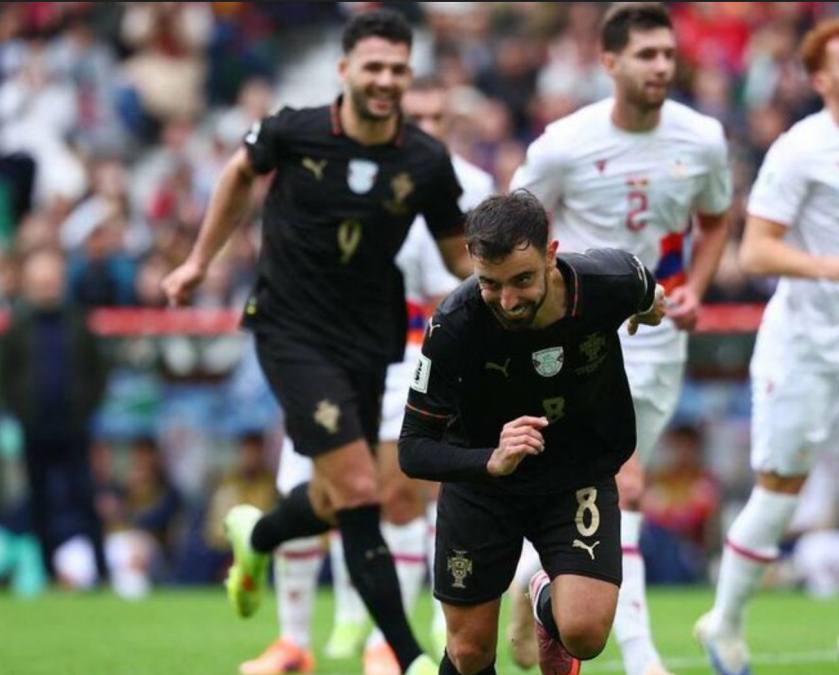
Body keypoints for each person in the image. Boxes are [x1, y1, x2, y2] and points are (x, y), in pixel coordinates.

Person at [161, 10, 471, 675]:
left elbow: (460, 261)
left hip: (372, 339)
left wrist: (541, 290)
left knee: (334, 496)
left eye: (397, 69)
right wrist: (198, 261)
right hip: (291, 329)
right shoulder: (296, 131)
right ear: (345, 71)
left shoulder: (424, 160)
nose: (386, 80)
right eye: (374, 68)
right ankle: (409, 656)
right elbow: (237, 175)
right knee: (360, 487)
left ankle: (260, 532)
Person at [694, 16, 839, 675]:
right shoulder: (799, 147)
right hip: (799, 342)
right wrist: (832, 268)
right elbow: (755, 248)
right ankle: (727, 622)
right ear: (823, 79)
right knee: (780, 490)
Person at [239, 77, 494, 675]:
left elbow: (461, 279)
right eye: (419, 111)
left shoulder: (465, 188)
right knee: (315, 486)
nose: (427, 121)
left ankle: (388, 642)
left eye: (438, 111)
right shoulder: (359, 168)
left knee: (390, 496)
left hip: (408, 350)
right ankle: (293, 640)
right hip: (321, 347)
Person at [508, 5, 731, 675]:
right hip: (581, 340)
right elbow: (511, 228)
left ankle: (534, 578)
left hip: (659, 340)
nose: (662, 65)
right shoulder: (564, 146)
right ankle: (641, 657)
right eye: (647, 54)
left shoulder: (704, 139)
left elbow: (716, 221)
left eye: (668, 53)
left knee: (603, 489)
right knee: (623, 484)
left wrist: (696, 285)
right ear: (610, 63)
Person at [399, 190, 666, 675]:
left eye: (522, 280)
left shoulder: (608, 280)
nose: (507, 300)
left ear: (550, 253)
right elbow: (413, 449)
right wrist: (490, 460)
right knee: (469, 652)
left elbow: (648, 292)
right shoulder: (454, 326)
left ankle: (544, 600)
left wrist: (651, 310)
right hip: (483, 486)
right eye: (490, 283)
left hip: (577, 474)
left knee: (584, 634)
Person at [0, 247, 110, 587]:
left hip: (74, 428)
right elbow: (7, 376)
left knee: (85, 499)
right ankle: (47, 572)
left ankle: (102, 572)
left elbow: (98, 372)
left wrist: (85, 409)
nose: (47, 287)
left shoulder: (78, 322)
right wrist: (22, 412)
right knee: (39, 501)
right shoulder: (18, 328)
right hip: (35, 429)